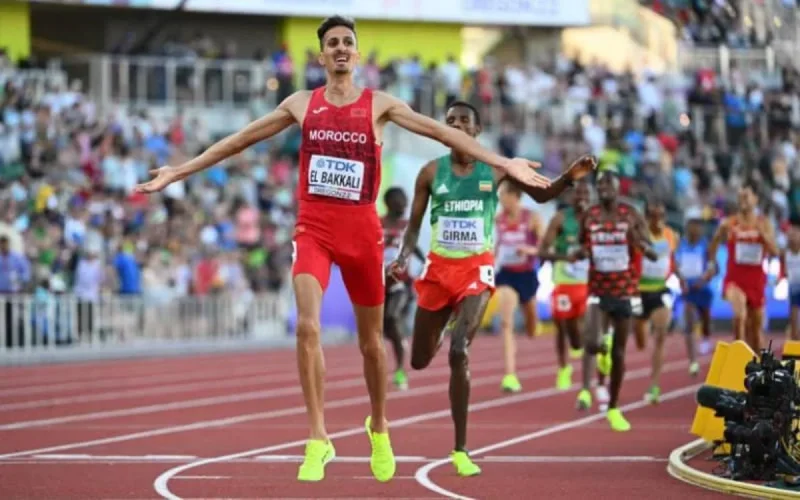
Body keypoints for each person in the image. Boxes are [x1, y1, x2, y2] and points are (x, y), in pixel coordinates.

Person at [134, 16, 551, 483]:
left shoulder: (380, 105)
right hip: (313, 228)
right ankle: (318, 437)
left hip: (361, 234)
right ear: (320, 56)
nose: (339, 48)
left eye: (347, 43)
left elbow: (442, 132)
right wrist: (179, 171)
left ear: (356, 55)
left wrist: (501, 161)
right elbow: (239, 140)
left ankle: (379, 425)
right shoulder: (300, 103)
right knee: (307, 328)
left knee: (372, 344)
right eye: (331, 43)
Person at [389, 101, 596, 476]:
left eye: (463, 121)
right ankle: (450, 320)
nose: (455, 126)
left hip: (477, 270)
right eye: (449, 121)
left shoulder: (496, 170)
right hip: (438, 272)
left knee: (458, 352)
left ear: (476, 131)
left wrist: (570, 175)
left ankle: (460, 449)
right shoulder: (429, 173)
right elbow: (413, 228)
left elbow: (543, 194)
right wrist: (403, 258)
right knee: (419, 360)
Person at [570, 170, 657, 431]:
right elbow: (580, 246)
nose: (604, 188)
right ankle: (592, 373)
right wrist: (580, 252)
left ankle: (614, 407)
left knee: (619, 353)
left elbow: (651, 249)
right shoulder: (590, 216)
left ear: (619, 189)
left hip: (624, 292)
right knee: (592, 341)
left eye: (609, 184)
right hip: (598, 289)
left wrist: (640, 243)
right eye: (601, 185)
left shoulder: (630, 215)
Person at [707, 182, 779, 353]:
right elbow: (712, 247)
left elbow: (775, 252)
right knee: (740, 317)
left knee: (755, 332)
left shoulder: (764, 223)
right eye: (740, 197)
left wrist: (763, 235)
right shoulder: (729, 223)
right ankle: (738, 359)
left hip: (756, 282)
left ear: (756, 199)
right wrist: (712, 262)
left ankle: (758, 367)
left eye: (746, 196)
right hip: (735, 280)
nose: (743, 200)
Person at [538, 180, 592, 390]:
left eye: (586, 194)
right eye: (578, 194)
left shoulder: (596, 219)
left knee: (590, 326)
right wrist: (564, 257)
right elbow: (543, 251)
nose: (582, 198)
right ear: (571, 197)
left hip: (590, 283)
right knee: (562, 327)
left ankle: (599, 352)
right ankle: (563, 368)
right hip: (564, 282)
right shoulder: (561, 219)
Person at [494, 182, 543, 393]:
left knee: (531, 328)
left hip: (527, 275)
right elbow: (497, 243)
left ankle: (534, 325)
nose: (500, 199)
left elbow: (545, 246)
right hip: (506, 274)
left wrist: (529, 250)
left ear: (514, 196)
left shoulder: (532, 218)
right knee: (507, 322)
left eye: (503, 195)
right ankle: (510, 375)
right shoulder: (497, 219)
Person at [634, 199, 680, 405]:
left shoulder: (671, 235)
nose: (658, 219)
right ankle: (641, 327)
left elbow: (672, 260)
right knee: (641, 342)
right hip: (637, 293)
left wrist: (680, 276)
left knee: (661, 334)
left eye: (661, 216)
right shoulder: (637, 234)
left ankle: (654, 385)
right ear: (646, 217)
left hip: (659, 290)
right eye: (653, 215)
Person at [381, 187, 424, 390]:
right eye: (402, 202)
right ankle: (398, 343)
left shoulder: (407, 225)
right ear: (390, 203)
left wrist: (425, 262)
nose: (405, 205)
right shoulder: (377, 223)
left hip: (400, 282)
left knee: (392, 316)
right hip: (378, 282)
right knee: (384, 329)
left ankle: (400, 370)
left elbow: (412, 245)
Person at [674, 208, 714, 364]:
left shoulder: (706, 245)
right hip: (688, 287)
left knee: (705, 317)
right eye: (693, 224)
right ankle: (692, 359)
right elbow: (675, 264)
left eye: (699, 224)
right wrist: (680, 278)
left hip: (702, 288)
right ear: (687, 225)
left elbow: (713, 267)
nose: (696, 228)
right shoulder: (681, 244)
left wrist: (703, 279)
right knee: (689, 320)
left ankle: (706, 337)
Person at [780, 220, 800, 341]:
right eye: (790, 235)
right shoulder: (785, 253)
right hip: (793, 288)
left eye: (795, 235)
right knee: (792, 319)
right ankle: (794, 342)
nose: (792, 237)